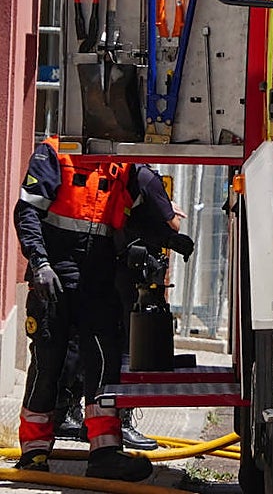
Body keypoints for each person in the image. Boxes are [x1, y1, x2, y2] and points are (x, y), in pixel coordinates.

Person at [11, 136, 192, 481]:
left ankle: (105, 452)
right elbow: (27, 212)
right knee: (49, 363)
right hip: (56, 277)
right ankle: (34, 453)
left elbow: (142, 216)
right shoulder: (55, 153)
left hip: (98, 280)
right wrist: (40, 263)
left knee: (104, 366)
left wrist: (168, 239)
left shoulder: (123, 164)